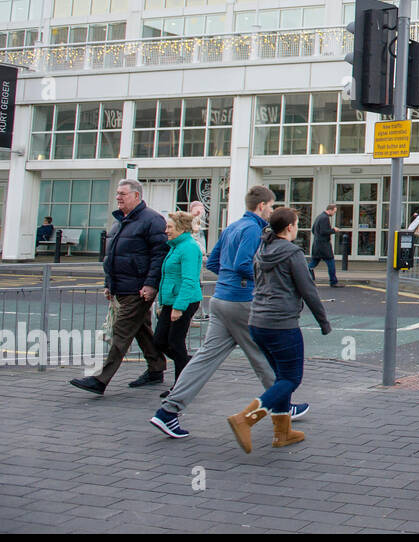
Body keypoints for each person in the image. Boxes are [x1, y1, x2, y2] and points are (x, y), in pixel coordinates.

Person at [151, 185, 305, 439]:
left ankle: (168, 411)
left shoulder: (233, 226)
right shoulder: (254, 229)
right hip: (241, 302)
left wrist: (228, 279)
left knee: (205, 358)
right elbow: (244, 264)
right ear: (261, 206)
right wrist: (263, 280)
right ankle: (283, 405)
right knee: (262, 356)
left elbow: (214, 262)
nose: (272, 210)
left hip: (221, 299)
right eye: (271, 206)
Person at [228, 207, 332, 453]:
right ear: (289, 227)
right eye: (296, 224)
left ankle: (282, 432)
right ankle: (245, 419)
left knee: (280, 378)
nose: (297, 228)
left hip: (257, 322)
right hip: (281, 323)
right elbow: (308, 290)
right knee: (291, 378)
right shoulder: (292, 253)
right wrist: (323, 322)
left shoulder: (262, 249)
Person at [70, 179, 169, 396]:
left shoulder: (152, 220)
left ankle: (100, 379)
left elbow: (159, 255)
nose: (118, 197)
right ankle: (156, 368)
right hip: (121, 287)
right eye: (117, 193)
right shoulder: (120, 221)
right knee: (141, 329)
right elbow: (112, 256)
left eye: (123, 194)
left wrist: (151, 284)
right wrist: (109, 284)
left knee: (121, 332)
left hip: (138, 289)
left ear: (136, 196)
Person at [154, 211, 203, 392]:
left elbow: (189, 280)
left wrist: (179, 307)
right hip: (171, 301)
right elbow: (168, 277)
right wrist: (164, 304)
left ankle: (180, 386)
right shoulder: (176, 246)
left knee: (175, 342)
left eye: (169, 227)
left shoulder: (189, 248)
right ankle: (189, 366)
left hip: (184, 301)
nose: (166, 231)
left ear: (182, 229)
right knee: (159, 341)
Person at [308, 204, 340, 286]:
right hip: (324, 246)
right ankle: (333, 282)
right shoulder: (325, 218)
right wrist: (334, 230)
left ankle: (306, 273)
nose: (334, 213)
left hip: (317, 245)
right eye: (334, 212)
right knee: (331, 262)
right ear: (330, 210)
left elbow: (313, 230)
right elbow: (324, 231)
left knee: (313, 263)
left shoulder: (319, 217)